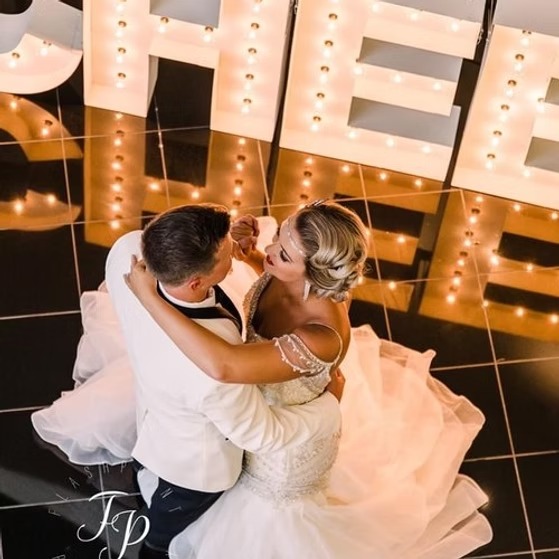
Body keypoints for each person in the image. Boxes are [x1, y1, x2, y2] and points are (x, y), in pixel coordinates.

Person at [123, 200, 493, 559]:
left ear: (315, 274)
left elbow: (226, 365)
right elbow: (276, 277)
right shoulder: (287, 274)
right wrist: (251, 255)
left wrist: (148, 297)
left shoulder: (321, 336)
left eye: (283, 254)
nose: (270, 249)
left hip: (283, 445)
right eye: (278, 237)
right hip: (251, 410)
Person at [33, 204, 342, 554]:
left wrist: (229, 248)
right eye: (227, 250)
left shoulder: (127, 253)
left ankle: (144, 485)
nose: (235, 247)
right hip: (192, 472)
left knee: (145, 472)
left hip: (155, 417)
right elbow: (261, 432)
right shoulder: (213, 372)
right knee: (161, 532)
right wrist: (330, 406)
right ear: (196, 282)